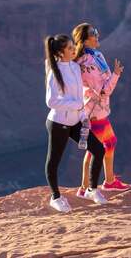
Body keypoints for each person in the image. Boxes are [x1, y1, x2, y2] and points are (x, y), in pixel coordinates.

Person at [43, 34, 107, 213]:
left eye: (73, 47)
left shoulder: (74, 66)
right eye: (70, 48)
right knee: (54, 161)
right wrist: (76, 105)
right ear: (60, 52)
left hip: (76, 120)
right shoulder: (54, 71)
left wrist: (81, 114)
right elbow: (51, 101)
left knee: (98, 149)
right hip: (59, 122)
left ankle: (91, 190)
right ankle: (55, 197)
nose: (73, 50)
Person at [72, 22, 129, 194]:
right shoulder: (87, 63)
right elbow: (103, 91)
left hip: (98, 109)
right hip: (94, 111)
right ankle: (90, 186)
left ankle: (105, 181)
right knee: (100, 147)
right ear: (86, 39)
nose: (97, 35)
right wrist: (117, 74)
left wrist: (113, 75)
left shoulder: (96, 55)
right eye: (93, 33)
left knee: (104, 145)